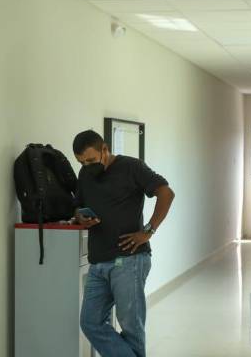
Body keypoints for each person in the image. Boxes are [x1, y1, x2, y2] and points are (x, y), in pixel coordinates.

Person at [73, 130, 175, 357]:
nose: (87, 166)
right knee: (90, 322)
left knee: (131, 329)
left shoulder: (131, 167)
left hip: (129, 260)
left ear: (104, 149)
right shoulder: (85, 174)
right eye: (81, 162)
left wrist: (148, 231)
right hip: (98, 262)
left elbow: (166, 193)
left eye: (91, 160)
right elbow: (78, 205)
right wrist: (80, 216)